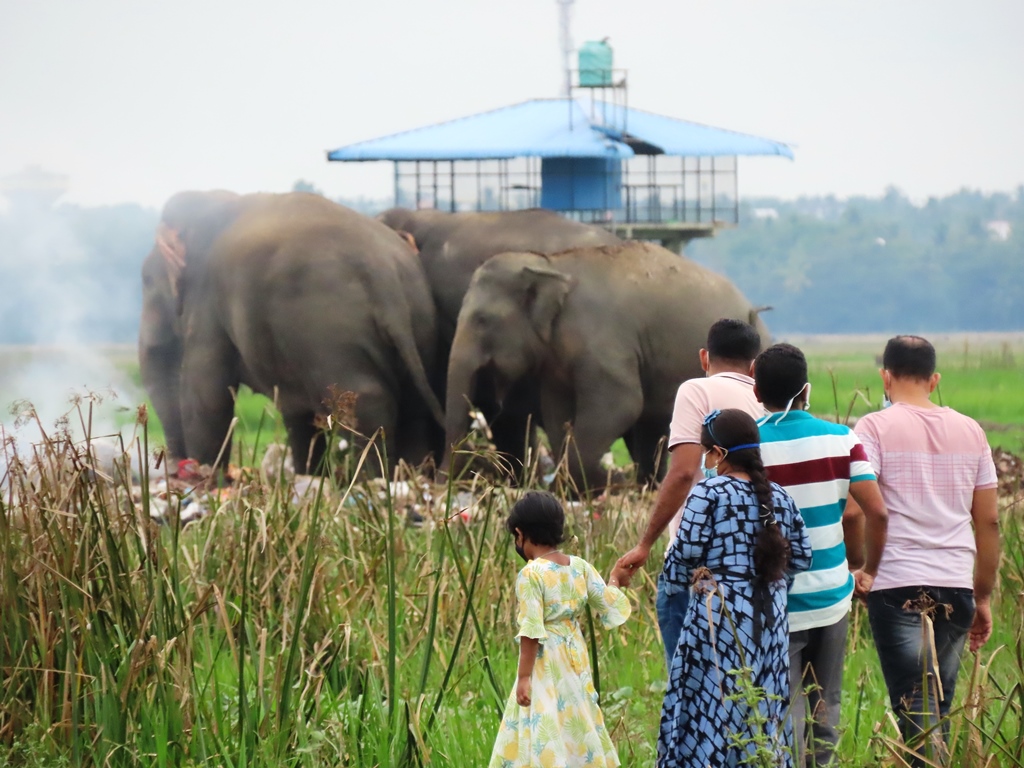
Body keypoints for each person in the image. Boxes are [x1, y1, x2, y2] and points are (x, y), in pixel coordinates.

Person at [850, 335, 999, 766]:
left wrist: (861, 568)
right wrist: (983, 595)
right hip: (955, 585)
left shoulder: (873, 427)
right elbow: (987, 521)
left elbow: (855, 512)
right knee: (936, 705)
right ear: (934, 380)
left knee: (917, 707)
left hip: (896, 584)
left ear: (885, 376)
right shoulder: (972, 430)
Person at [753, 343, 888, 767]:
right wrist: (866, 569)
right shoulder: (843, 439)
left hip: (773, 602)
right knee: (824, 704)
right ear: (806, 390)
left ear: (757, 392)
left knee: (782, 706)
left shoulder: (744, 446)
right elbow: (876, 511)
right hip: (832, 595)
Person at [659, 409, 812, 768]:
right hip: (770, 616)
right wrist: (770, 578)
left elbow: (684, 553)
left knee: (710, 701)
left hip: (719, 612)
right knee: (763, 701)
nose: (705, 459)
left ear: (720, 454)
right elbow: (803, 557)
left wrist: (683, 583)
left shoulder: (708, 493)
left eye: (707, 451)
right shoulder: (779, 497)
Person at [616, 318, 766, 666]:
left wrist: (645, 543)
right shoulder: (763, 398)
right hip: (750, 559)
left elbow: (683, 471)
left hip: (697, 559)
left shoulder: (696, 390)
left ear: (704, 357)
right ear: (754, 366)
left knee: (689, 680)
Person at [489, 491, 632, 768]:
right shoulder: (579, 567)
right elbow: (608, 602)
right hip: (574, 656)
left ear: (520, 533)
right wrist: (615, 578)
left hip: (547, 660)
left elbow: (531, 629)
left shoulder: (531, 574)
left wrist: (524, 677)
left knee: (544, 717)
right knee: (576, 714)